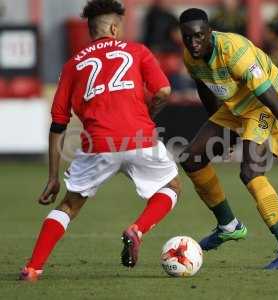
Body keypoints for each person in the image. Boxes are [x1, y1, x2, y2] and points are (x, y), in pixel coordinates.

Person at [19, 0, 180, 281]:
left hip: (98, 144)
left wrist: (53, 176)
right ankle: (137, 229)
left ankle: (33, 268)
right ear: (115, 27)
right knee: (172, 187)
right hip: (140, 137)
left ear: (91, 29)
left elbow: (59, 122)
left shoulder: (73, 65)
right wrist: (148, 112)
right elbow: (164, 90)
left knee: (69, 205)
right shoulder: (137, 50)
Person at [178, 8, 278, 270]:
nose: (194, 43)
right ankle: (228, 226)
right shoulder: (191, 57)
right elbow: (205, 88)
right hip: (236, 104)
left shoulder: (236, 53)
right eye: (188, 37)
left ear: (209, 33)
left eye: (199, 36)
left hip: (270, 104)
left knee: (251, 171)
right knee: (192, 158)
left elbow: (275, 103)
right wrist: (222, 133)